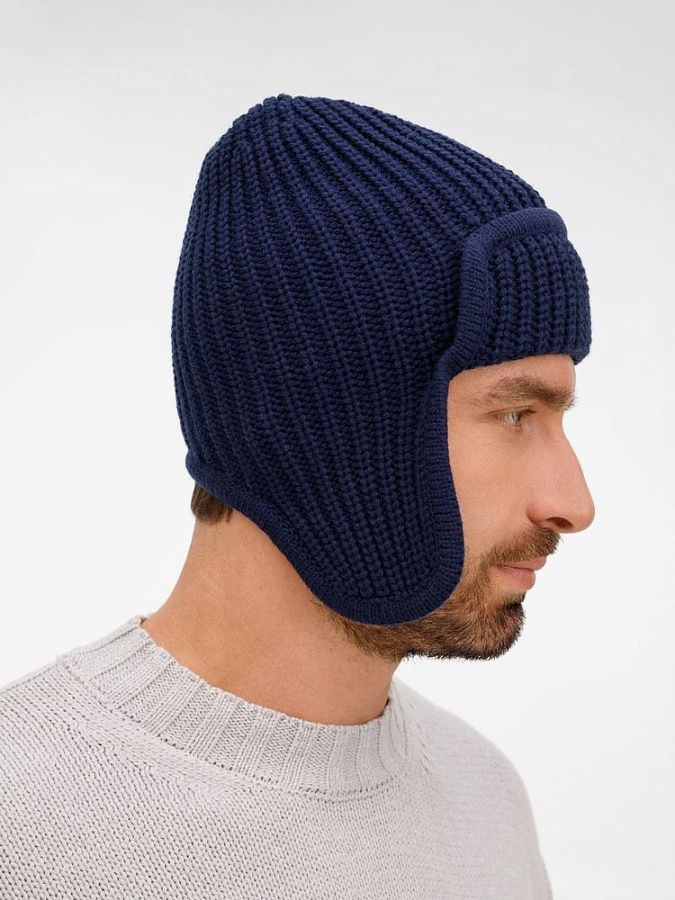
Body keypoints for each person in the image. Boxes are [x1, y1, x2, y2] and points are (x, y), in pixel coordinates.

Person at [0, 94, 594, 899]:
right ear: (324, 427)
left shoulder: (483, 798)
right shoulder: (21, 827)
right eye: (515, 414)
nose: (573, 503)